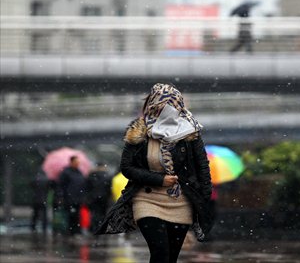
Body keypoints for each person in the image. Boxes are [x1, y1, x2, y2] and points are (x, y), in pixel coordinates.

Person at [96, 83, 214, 263]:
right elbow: (127, 168)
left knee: (171, 257)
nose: (168, 112)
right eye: (162, 107)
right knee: (160, 253)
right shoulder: (140, 131)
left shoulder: (190, 132)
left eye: (173, 107)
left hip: (180, 202)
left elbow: (202, 166)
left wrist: (203, 200)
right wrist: (159, 179)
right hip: (147, 200)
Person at [58, 155, 87, 236]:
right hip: (70, 198)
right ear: (71, 162)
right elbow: (61, 186)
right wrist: (61, 196)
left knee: (77, 215)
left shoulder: (79, 172)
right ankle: (71, 231)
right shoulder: (65, 172)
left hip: (78, 198)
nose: (77, 164)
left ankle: (77, 231)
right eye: (76, 162)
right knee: (71, 215)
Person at [86, 162, 112, 234]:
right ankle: (101, 228)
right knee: (103, 214)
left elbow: (87, 188)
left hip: (93, 198)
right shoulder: (107, 176)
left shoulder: (91, 175)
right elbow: (109, 188)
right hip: (104, 198)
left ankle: (94, 228)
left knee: (94, 214)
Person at [30, 166, 50, 234]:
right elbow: (48, 188)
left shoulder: (35, 178)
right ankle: (44, 228)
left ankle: (33, 227)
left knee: (35, 214)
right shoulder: (46, 179)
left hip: (36, 199)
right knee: (44, 215)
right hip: (44, 199)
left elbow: (31, 185)